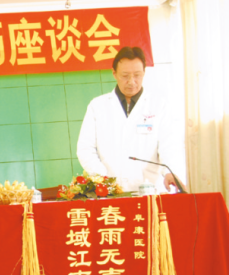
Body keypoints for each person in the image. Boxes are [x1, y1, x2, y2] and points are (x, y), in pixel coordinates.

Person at [76, 46, 186, 193]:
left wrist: (169, 172)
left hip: (150, 190)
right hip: (110, 191)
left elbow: (169, 146)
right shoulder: (97, 106)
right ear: (114, 73)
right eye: (125, 75)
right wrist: (103, 178)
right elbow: (85, 149)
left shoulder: (159, 105)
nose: (131, 82)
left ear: (144, 73)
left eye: (137, 75)